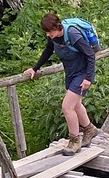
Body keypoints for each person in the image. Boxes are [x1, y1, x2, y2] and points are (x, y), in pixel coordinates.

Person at [26, 10, 100, 146]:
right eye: (46, 32)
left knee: (67, 107)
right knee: (76, 104)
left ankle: (74, 141)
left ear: (56, 27)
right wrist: (34, 68)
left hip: (82, 73)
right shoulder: (53, 38)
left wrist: (88, 78)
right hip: (71, 73)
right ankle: (90, 129)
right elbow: (48, 51)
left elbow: (90, 55)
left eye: (49, 31)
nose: (48, 35)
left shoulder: (72, 34)